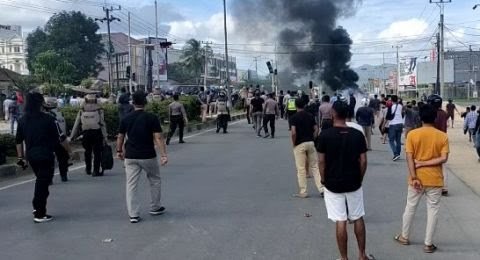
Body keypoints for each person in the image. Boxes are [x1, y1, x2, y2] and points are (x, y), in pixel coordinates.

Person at [316, 100, 374, 260]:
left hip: (333, 183)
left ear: (333, 114)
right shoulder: (357, 135)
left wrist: (323, 179)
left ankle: (344, 258)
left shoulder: (325, 135)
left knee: (340, 220)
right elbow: (363, 161)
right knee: (358, 217)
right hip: (353, 182)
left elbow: (321, 161)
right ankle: (362, 255)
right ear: (348, 114)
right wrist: (359, 178)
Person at [394, 104, 449, 254]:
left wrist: (414, 176)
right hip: (435, 179)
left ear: (420, 118)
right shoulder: (442, 136)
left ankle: (404, 237)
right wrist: (425, 163)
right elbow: (443, 158)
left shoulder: (412, 135)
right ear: (435, 118)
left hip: (416, 179)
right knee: (433, 211)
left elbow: (409, 158)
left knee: (410, 207)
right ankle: (428, 244)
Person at [117, 91, 169, 223]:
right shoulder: (151, 117)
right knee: (154, 179)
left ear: (132, 103)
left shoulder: (126, 118)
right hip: (148, 155)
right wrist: (163, 154)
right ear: (145, 103)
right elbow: (158, 137)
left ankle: (133, 214)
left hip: (131, 156)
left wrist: (119, 151)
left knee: (131, 185)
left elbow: (120, 136)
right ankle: (155, 207)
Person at [16, 93, 61, 223]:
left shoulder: (22, 120)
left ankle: (38, 207)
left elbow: (18, 141)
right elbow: (57, 138)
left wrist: (21, 157)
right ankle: (39, 212)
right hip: (46, 155)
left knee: (41, 181)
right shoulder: (48, 119)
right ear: (40, 103)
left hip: (31, 156)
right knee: (42, 183)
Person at [289, 98, 323, 198]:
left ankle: (303, 192)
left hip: (299, 144)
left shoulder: (293, 117)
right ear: (304, 105)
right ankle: (321, 189)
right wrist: (313, 138)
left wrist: (294, 143)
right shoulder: (310, 116)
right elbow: (316, 129)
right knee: (315, 167)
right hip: (310, 143)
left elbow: (293, 132)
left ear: (295, 106)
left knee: (301, 169)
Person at [70, 94, 108, 176]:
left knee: (87, 151)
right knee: (97, 152)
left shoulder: (82, 111)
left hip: (86, 133)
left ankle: (88, 169)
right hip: (96, 132)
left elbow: (76, 124)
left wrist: (72, 136)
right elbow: (102, 124)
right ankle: (96, 171)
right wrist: (105, 137)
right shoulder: (99, 111)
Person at [44, 97, 71, 182]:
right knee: (62, 158)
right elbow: (64, 128)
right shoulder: (60, 113)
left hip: (50, 140)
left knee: (49, 160)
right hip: (61, 139)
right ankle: (64, 175)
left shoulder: (46, 115)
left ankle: (50, 178)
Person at [388, 95, 404, 161]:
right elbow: (402, 113)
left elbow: (389, 115)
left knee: (391, 140)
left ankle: (395, 154)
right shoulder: (400, 106)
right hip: (400, 124)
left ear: (391, 100)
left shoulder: (392, 107)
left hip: (393, 124)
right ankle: (398, 154)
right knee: (398, 140)